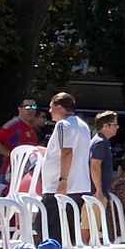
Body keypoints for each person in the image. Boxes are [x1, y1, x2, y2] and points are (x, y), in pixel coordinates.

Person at [39, 92, 94, 238]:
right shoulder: (83, 126)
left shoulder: (63, 125)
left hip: (59, 188)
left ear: (59, 107)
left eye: (51, 107)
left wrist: (63, 180)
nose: (50, 111)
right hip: (80, 186)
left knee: (49, 233)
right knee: (70, 234)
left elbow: (67, 151)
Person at [0, 99, 42, 176]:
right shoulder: (13, 125)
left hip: (26, 171)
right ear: (19, 109)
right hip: (11, 172)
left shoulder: (32, 127)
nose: (31, 110)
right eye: (27, 107)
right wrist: (11, 155)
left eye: (34, 107)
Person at [90, 112, 122, 197]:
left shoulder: (101, 141)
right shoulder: (100, 143)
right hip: (96, 193)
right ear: (105, 126)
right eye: (115, 125)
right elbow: (95, 166)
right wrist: (99, 190)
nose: (117, 127)